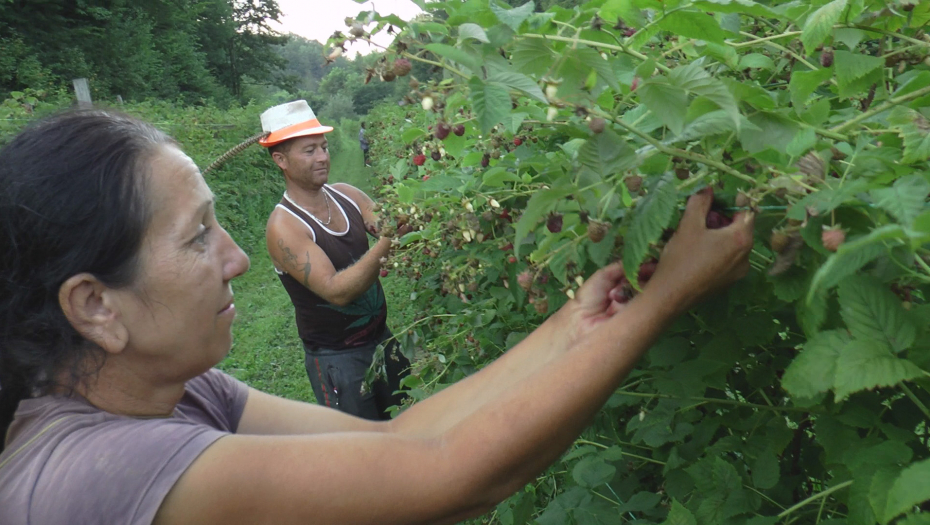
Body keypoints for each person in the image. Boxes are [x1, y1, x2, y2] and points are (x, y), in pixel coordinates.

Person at [0, 109, 753, 525]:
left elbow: (406, 436)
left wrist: (577, 321)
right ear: (95, 305)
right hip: (338, 351)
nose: (235, 258)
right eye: (197, 235)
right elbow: (455, 475)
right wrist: (662, 300)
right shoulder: (101, 471)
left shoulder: (191, 393)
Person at [259, 100, 410, 420]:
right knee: (365, 450)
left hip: (382, 340)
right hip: (338, 360)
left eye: (324, 147)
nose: (323, 157)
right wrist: (388, 239)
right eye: (309, 150)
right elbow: (336, 291)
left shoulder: (347, 195)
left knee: (413, 417)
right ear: (280, 159)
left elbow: (392, 226)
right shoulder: (284, 227)